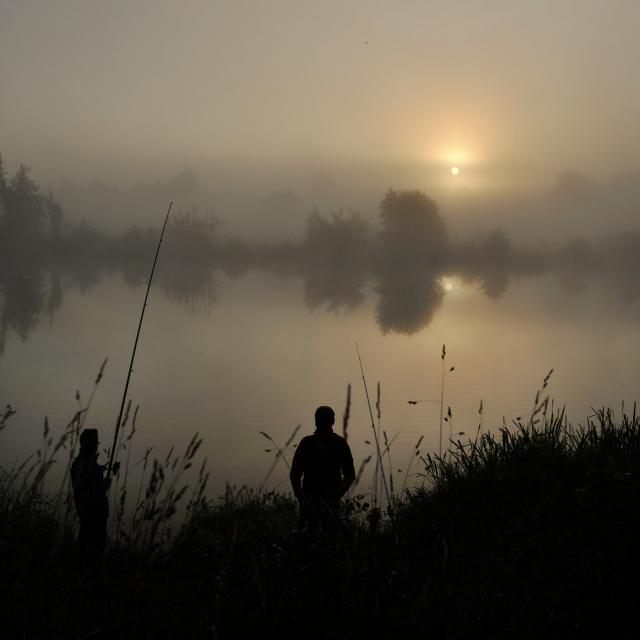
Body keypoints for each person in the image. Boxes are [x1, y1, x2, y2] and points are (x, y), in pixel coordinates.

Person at [290, 405, 356, 529]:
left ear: (315, 421)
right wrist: (337, 495)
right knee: (330, 538)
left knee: (306, 536)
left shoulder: (306, 443)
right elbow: (350, 475)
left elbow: (295, 473)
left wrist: (300, 496)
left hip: (309, 500)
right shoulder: (340, 443)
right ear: (333, 421)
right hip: (329, 501)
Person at [70, 428, 111, 563]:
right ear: (89, 444)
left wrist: (105, 469)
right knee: (95, 552)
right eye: (95, 443)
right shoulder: (87, 466)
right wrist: (107, 482)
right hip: (95, 516)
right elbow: (95, 492)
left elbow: (92, 475)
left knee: (86, 550)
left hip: (87, 515)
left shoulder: (79, 464)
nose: (96, 446)